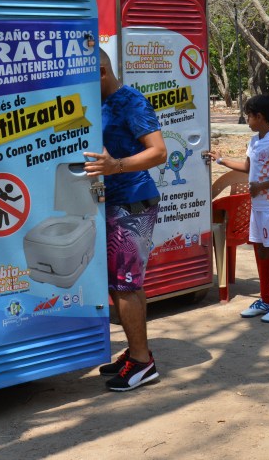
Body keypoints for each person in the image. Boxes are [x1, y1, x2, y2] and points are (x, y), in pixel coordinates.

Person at [84, 50, 167, 391]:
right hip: (110, 202)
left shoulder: (131, 101)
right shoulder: (97, 101)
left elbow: (158, 151)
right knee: (120, 284)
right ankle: (135, 351)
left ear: (102, 71)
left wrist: (114, 166)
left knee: (126, 284)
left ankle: (143, 363)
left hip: (132, 203)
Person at [204, 94, 269, 323]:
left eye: (249, 115)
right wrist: (221, 160)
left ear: (259, 116)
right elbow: (248, 167)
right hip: (258, 207)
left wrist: (262, 186)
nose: (246, 119)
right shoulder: (254, 141)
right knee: (261, 250)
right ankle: (266, 300)